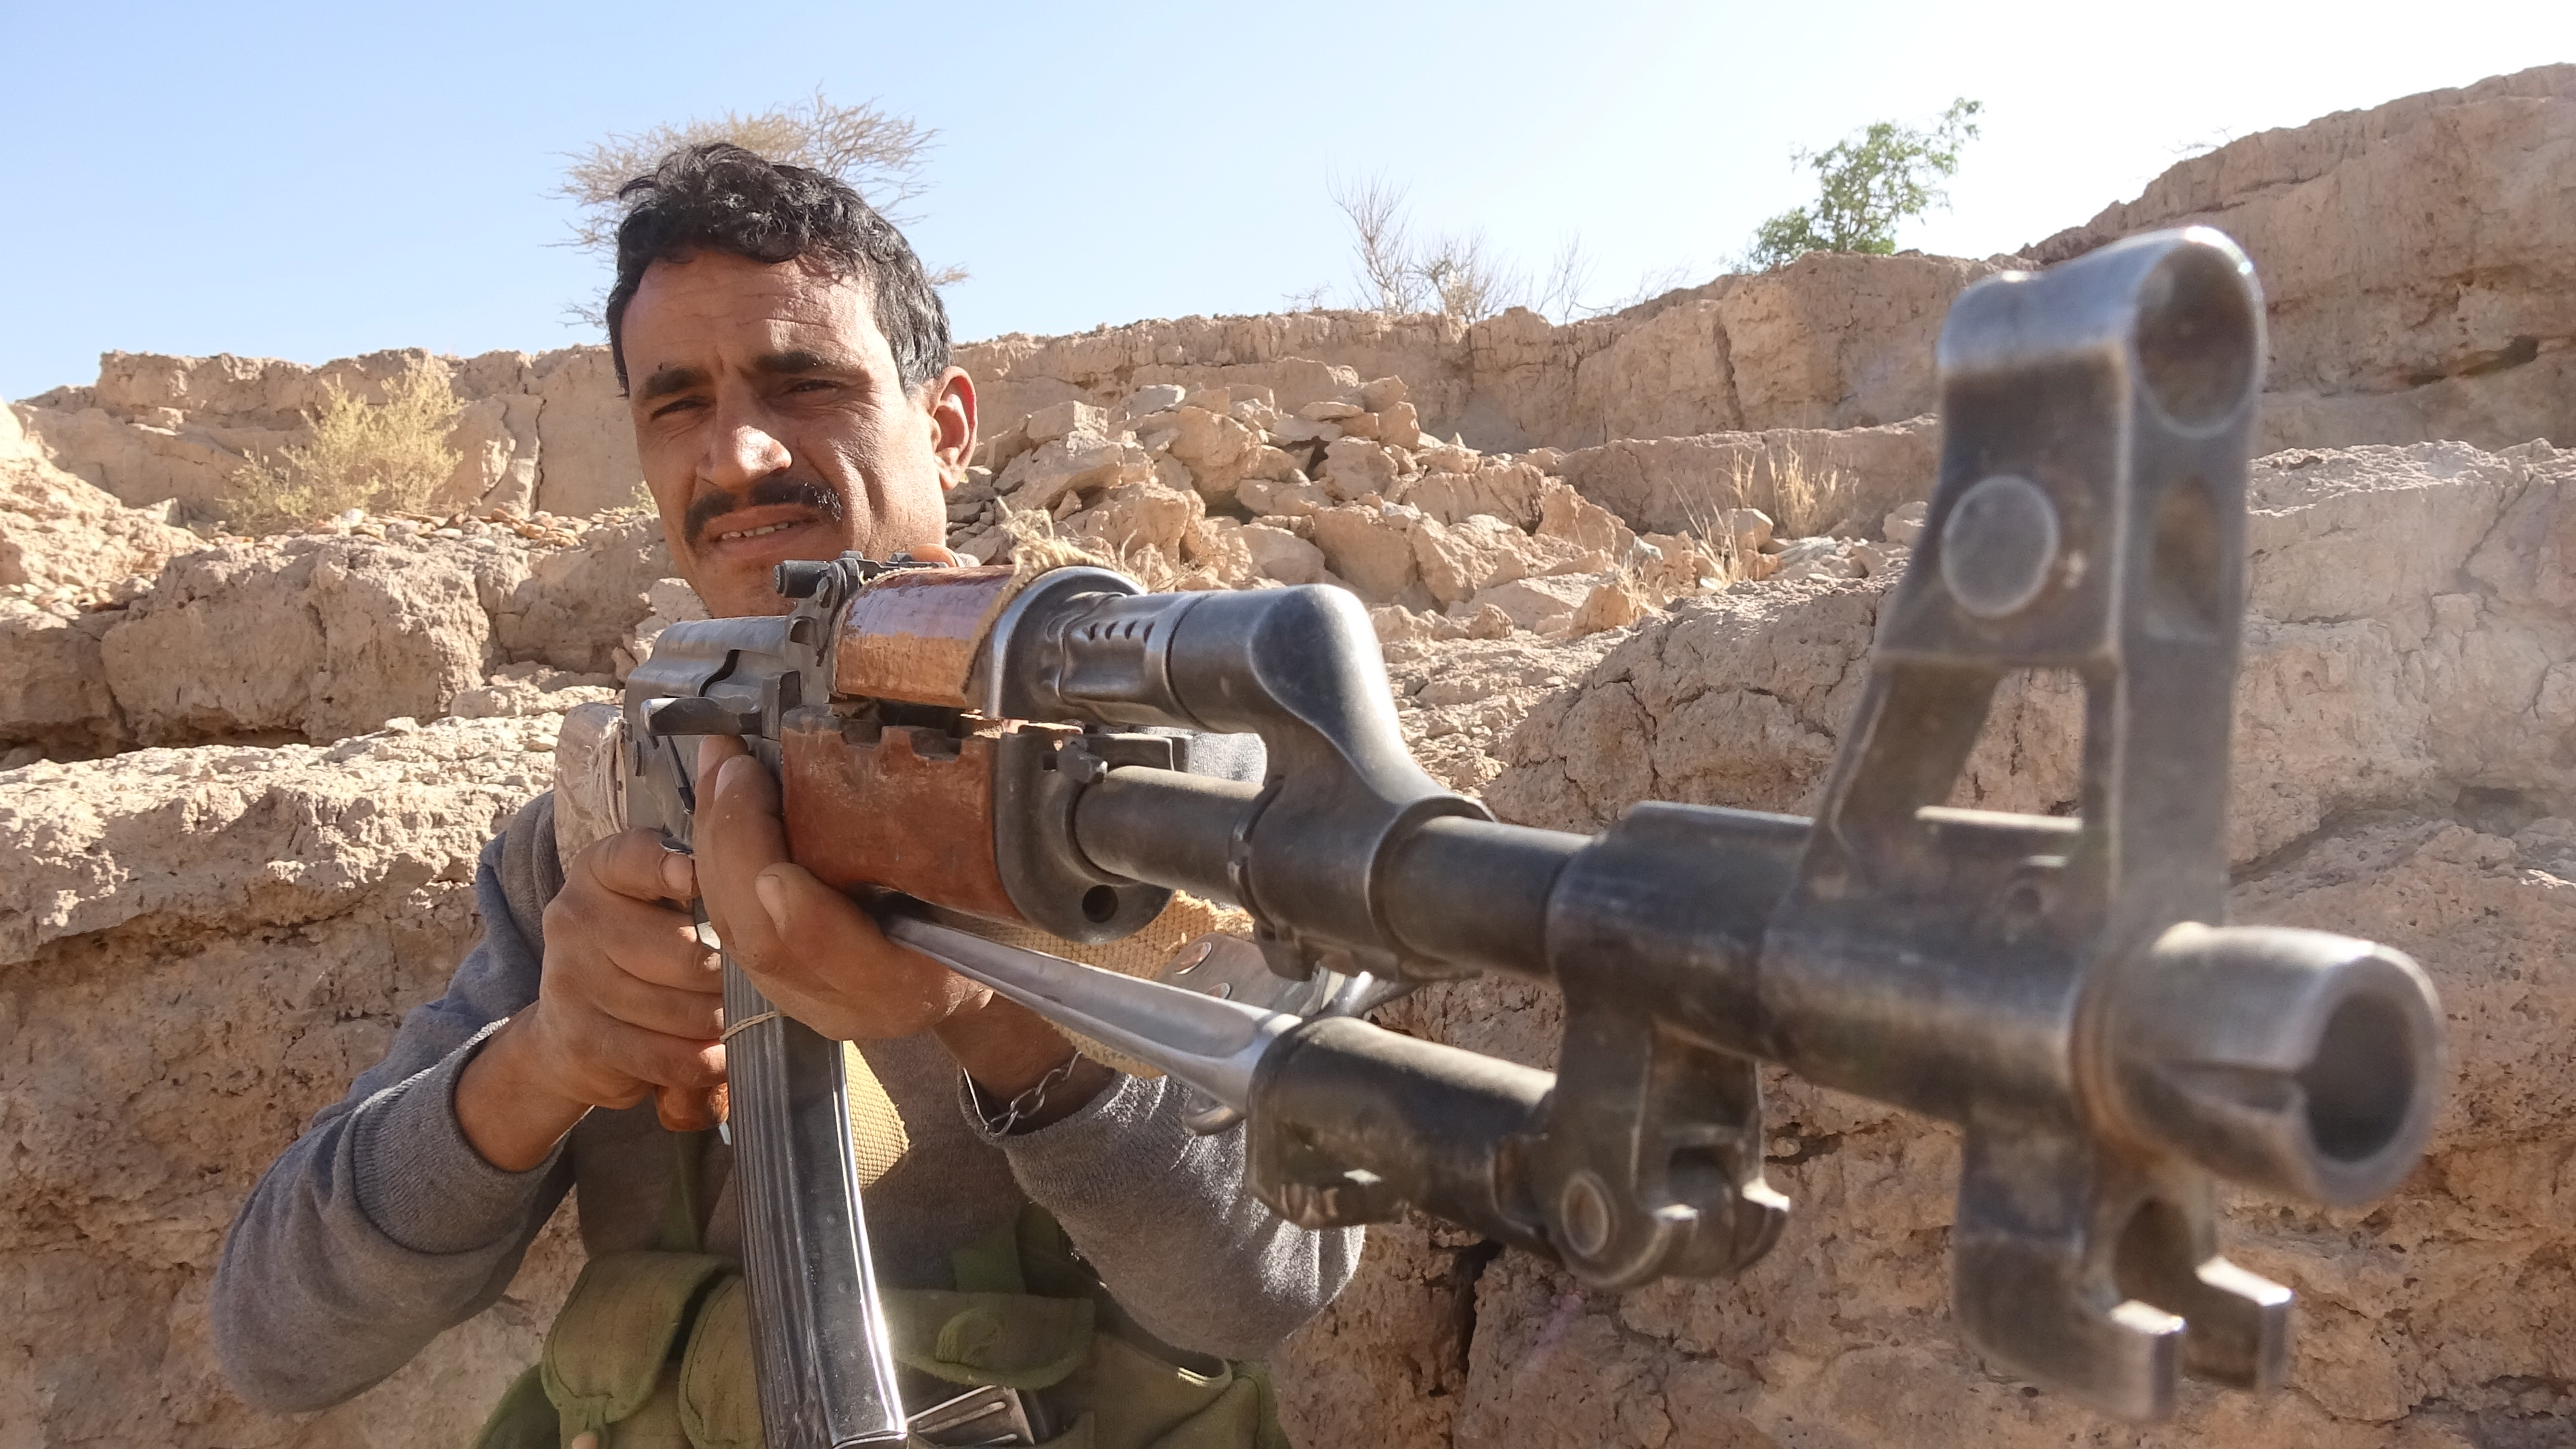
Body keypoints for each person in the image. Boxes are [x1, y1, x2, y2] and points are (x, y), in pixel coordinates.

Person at [212, 144, 1358, 1444]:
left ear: (946, 425)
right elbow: (275, 1338)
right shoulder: (602, 825)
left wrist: (995, 1022)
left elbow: (1262, 1286)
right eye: (676, 405)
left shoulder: (1155, 779)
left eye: (805, 383)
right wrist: (547, 1060)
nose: (738, 455)